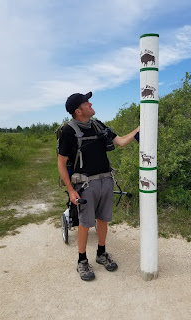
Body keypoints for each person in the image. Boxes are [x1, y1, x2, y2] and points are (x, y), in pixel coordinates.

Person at [58, 91, 139, 281]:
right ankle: (82, 261)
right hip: (85, 185)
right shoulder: (68, 131)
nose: (90, 103)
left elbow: (120, 142)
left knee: (103, 219)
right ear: (78, 111)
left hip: (106, 180)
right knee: (85, 224)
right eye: (87, 102)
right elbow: (61, 163)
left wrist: (139, 130)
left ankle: (101, 254)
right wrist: (71, 190)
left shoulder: (98, 125)